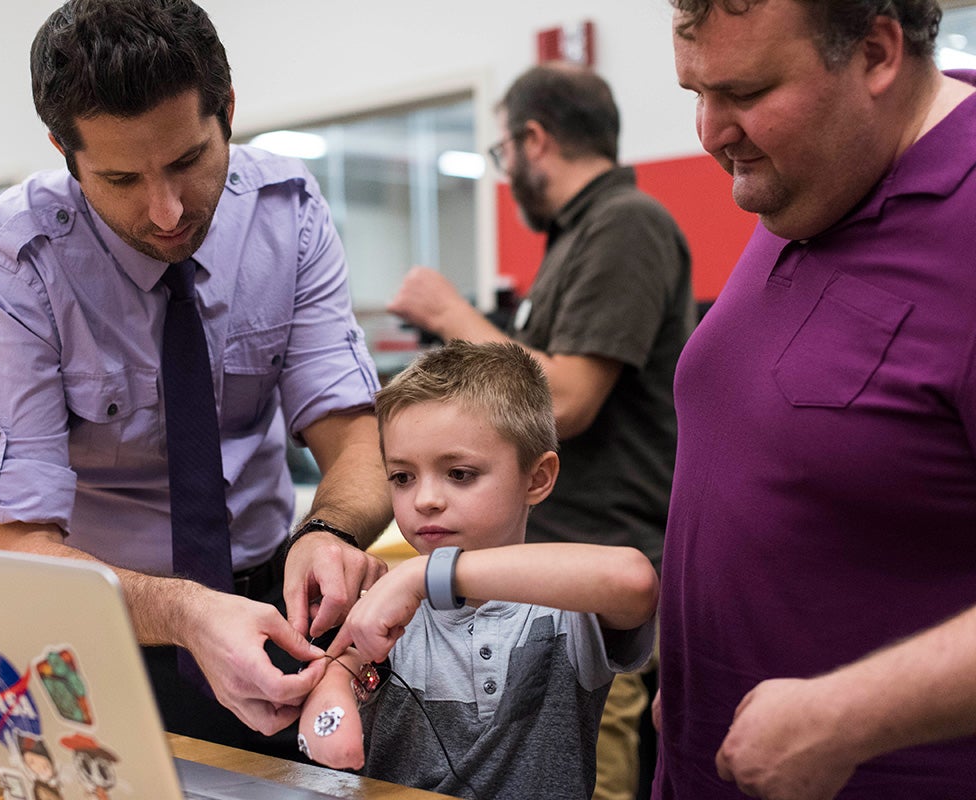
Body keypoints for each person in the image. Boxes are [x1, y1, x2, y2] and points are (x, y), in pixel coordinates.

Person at [0, 0, 390, 758]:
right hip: (91, 629)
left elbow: (357, 442)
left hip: (275, 610)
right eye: (120, 178)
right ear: (63, 150)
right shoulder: (9, 264)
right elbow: (17, 540)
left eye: (188, 160)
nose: (167, 210)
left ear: (227, 112)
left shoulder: (288, 215)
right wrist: (186, 613)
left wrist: (329, 532)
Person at [656, 1, 976, 798]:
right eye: (695, 91)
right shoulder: (816, 174)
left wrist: (849, 715)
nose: (709, 131)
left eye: (746, 91)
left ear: (875, 52)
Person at [388, 63, 696, 799]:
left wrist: (448, 314)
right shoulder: (573, 239)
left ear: (534, 139)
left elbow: (569, 396)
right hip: (536, 569)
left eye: (502, 153)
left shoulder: (628, 224)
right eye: (404, 475)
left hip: (587, 576)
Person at [297, 341, 658, 799]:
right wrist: (333, 695)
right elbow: (333, 687)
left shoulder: (567, 611)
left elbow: (633, 580)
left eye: (460, 474)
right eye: (402, 477)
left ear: (537, 478)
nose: (425, 499)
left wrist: (423, 576)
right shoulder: (383, 609)